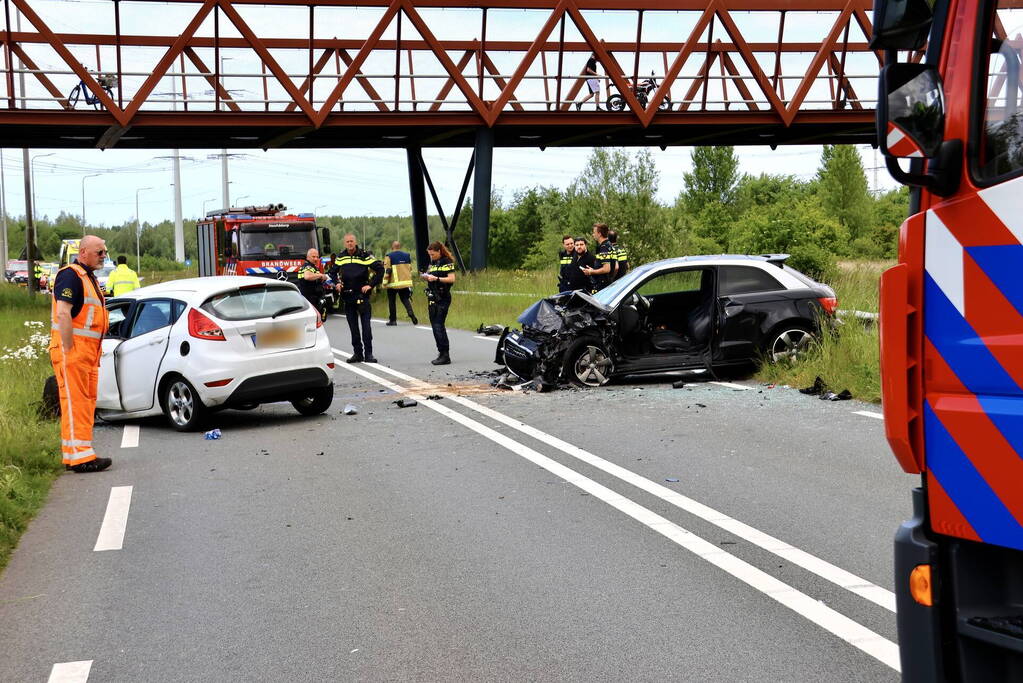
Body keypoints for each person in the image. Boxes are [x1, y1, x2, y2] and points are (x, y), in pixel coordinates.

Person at [49, 235, 111, 473]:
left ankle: (74, 455)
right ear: (83, 252)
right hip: (74, 353)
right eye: (99, 252)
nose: (103, 256)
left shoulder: (87, 277)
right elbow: (63, 313)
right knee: (77, 404)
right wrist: (69, 350)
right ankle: (81, 459)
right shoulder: (71, 275)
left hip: (86, 355)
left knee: (82, 404)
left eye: (104, 252)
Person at [329, 233, 383, 363]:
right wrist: (337, 283)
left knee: (366, 327)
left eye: (351, 241)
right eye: (347, 241)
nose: (350, 243)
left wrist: (370, 285)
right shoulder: (341, 257)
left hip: (362, 296)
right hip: (348, 296)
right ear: (344, 243)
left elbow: (380, 270)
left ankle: (368, 354)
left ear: (355, 242)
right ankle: (357, 353)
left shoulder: (364, 255)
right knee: (353, 327)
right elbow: (332, 272)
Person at [422, 241, 456, 365]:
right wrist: (426, 276)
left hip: (443, 297)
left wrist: (436, 278)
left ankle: (445, 355)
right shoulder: (433, 263)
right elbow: (429, 273)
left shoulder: (447, 261)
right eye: (429, 254)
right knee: (435, 326)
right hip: (432, 297)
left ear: (439, 251)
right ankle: (441, 353)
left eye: (433, 254)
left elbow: (452, 279)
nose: (431, 256)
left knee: (438, 325)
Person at [382, 241, 418, 326]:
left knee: (392, 301)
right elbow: (410, 268)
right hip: (404, 283)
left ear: (392, 247)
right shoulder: (407, 255)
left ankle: (393, 320)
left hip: (393, 284)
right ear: (399, 247)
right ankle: (410, 312)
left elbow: (388, 271)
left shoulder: (389, 256)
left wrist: (384, 283)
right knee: (405, 299)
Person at [582, 222, 616, 290]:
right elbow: (615, 267)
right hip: (608, 282)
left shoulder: (604, 247)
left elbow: (606, 269)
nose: (593, 234)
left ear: (599, 233)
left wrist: (591, 272)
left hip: (603, 285)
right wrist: (594, 269)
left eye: (594, 232)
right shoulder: (609, 245)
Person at [297, 247, 326, 315]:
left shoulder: (312, 267)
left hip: (312, 299)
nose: (316, 259)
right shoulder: (308, 266)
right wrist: (320, 275)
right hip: (310, 300)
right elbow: (307, 276)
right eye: (313, 257)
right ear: (308, 257)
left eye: (317, 257)